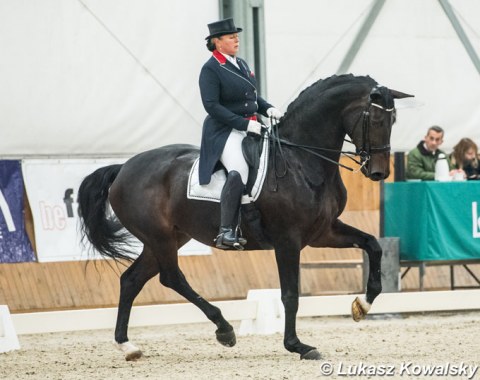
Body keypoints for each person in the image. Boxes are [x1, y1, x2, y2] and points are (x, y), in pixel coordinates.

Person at [198, 18, 282, 250]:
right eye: (231, 36)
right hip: (224, 131)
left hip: (252, 126)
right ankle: (226, 231)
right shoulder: (210, 69)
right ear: (217, 42)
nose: (236, 39)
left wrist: (268, 108)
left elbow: (252, 97)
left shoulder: (241, 64)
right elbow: (212, 106)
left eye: (236, 35)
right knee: (239, 171)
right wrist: (243, 125)